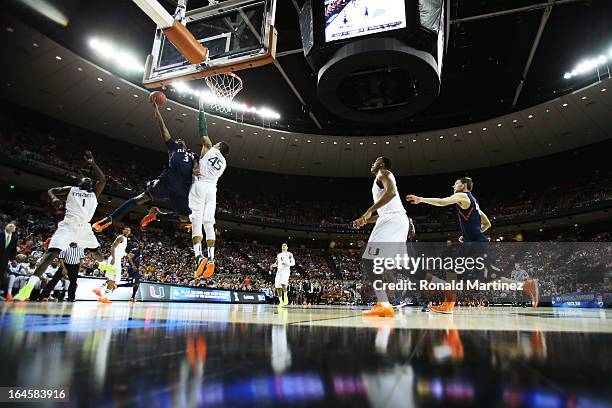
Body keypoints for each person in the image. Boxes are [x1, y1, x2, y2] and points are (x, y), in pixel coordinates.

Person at [92, 96, 197, 232]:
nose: (179, 140)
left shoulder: (193, 155)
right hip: (168, 181)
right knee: (140, 198)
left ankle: (156, 215)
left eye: (181, 140)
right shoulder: (173, 148)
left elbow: (198, 165)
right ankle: (110, 219)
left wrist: (196, 167)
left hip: (182, 188)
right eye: (177, 140)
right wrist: (156, 110)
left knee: (186, 218)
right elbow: (163, 128)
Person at [14, 151, 106, 301]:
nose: (88, 180)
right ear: (80, 183)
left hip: (84, 228)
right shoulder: (71, 189)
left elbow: (102, 179)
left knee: (97, 254)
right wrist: (55, 198)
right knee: (51, 254)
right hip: (68, 226)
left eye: (90, 179)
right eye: (85, 179)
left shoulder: (95, 193)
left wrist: (92, 163)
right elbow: (51, 190)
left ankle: (105, 266)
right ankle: (28, 288)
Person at [353, 156, 409, 318]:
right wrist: (365, 219)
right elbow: (383, 213)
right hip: (395, 219)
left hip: (393, 219)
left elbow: (392, 193)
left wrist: (369, 210)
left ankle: (384, 304)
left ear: (382, 164)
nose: (372, 163)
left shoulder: (384, 173)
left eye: (375, 161)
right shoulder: (380, 179)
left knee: (369, 259)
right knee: (396, 266)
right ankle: (443, 287)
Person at [189, 97, 230, 278]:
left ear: (218, 146)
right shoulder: (224, 163)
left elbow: (202, 131)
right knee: (209, 223)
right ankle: (212, 259)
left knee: (196, 221)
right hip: (212, 189)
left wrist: (201, 111)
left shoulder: (209, 148)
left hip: (199, 186)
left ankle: (199, 257)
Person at [93, 227, 131, 304]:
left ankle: (98, 290)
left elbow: (121, 250)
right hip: (115, 259)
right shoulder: (121, 237)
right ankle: (103, 297)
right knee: (114, 279)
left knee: (111, 278)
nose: (126, 231)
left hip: (117, 259)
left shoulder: (125, 239)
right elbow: (113, 246)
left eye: (128, 230)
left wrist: (126, 254)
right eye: (125, 229)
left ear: (129, 232)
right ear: (123, 230)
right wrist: (113, 258)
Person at [0, 223, 17, 300]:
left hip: (5, 260)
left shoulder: (14, 237)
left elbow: (13, 250)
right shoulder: (1, 234)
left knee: (2, 276)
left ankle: (3, 293)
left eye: (12, 227)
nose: (11, 227)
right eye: (9, 226)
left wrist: (13, 259)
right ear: (5, 227)